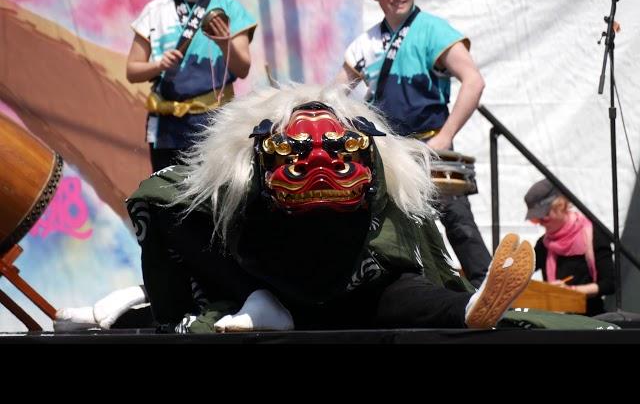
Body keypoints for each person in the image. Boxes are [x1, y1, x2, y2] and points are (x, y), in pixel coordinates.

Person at [125, 84, 535, 333]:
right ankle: (257, 298)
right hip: (262, 280)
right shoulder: (247, 174)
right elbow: (159, 192)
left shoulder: (376, 176)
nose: (321, 162)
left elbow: (398, 252)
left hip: (353, 284)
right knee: (169, 204)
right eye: (297, 151)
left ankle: (466, 307)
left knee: (399, 289)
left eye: (340, 149)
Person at [335, 0, 490, 287]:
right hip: (387, 150)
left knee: (455, 218)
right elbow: (334, 93)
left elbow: (474, 81)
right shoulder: (365, 43)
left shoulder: (434, 30)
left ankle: (486, 284)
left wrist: (445, 137)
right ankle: (408, 290)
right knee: (390, 225)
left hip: (429, 143)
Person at [126, 0, 257, 172]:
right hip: (167, 123)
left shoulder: (228, 6)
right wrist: (158, 65)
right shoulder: (155, 10)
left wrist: (225, 44)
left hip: (215, 121)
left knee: (212, 195)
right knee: (166, 193)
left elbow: (242, 69)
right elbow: (132, 70)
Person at [524, 178, 615, 316]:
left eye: (544, 217)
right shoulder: (543, 244)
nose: (540, 223)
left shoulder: (593, 235)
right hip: (555, 320)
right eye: (535, 220)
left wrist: (570, 292)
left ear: (560, 206)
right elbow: (522, 273)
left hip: (590, 320)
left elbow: (610, 283)